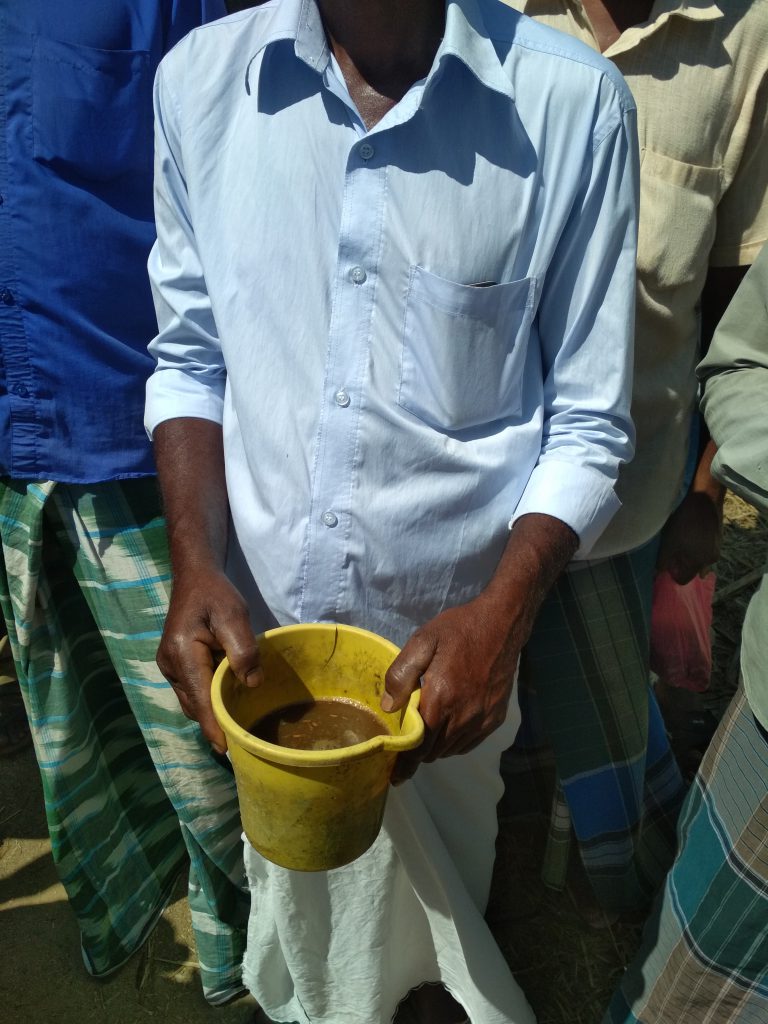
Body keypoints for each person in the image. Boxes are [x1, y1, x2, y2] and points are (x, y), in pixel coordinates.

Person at [145, 0, 639, 1020]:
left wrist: (500, 618)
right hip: (267, 648)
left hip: (450, 670)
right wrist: (197, 560)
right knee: (307, 922)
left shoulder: (568, 105)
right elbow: (191, 356)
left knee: (439, 937)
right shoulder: (201, 85)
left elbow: (588, 426)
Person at [0, 0, 249, 1005]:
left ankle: (270, 955)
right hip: (19, 444)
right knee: (72, 721)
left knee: (213, 750)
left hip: (135, 427)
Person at [503, 0, 768, 914]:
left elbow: (736, 300)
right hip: (475, 474)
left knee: (608, 706)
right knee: (486, 695)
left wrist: (705, 489)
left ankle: (620, 871)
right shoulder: (474, 14)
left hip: (631, 481)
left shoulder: (745, 37)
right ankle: (500, 836)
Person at [605, 242, 768, 1024]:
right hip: (622, 501)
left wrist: (701, 491)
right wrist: (714, 484)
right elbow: (743, 357)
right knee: (681, 970)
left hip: (658, 483)